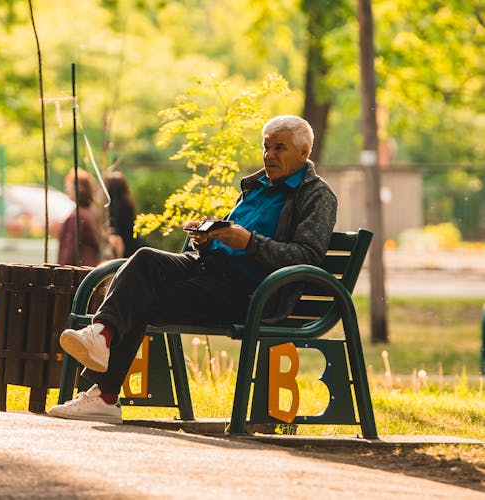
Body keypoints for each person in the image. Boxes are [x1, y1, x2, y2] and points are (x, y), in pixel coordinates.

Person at [48, 115, 337, 424]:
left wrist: (250, 243)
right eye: (266, 147)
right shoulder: (257, 186)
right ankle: (101, 336)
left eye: (279, 148)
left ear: (304, 152)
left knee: (140, 297)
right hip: (209, 268)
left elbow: (306, 256)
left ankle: (104, 393)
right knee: (144, 259)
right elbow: (233, 237)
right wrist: (208, 237)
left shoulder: (317, 195)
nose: (269, 155)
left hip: (251, 292)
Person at [58, 168, 103, 267]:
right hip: (90, 269)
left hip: (77, 272)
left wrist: (60, 271)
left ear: (79, 188)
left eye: (68, 186)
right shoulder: (92, 212)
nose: (66, 190)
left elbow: (69, 249)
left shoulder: (78, 216)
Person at [102, 171, 147, 259]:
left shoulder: (114, 210)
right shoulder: (127, 206)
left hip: (127, 253)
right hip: (136, 248)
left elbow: (117, 239)